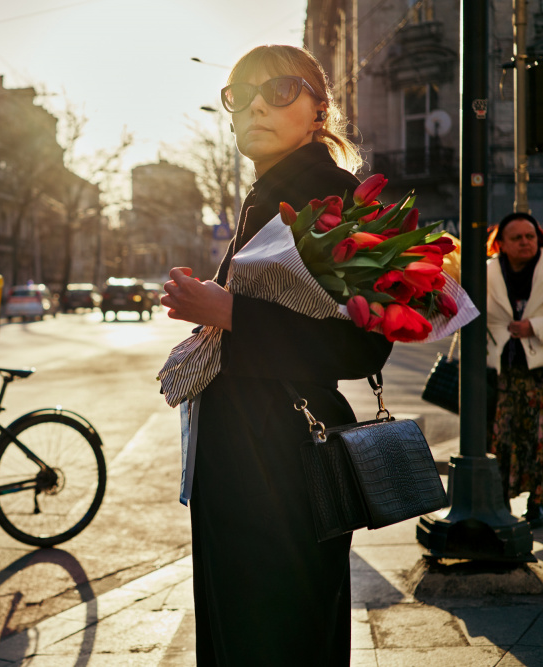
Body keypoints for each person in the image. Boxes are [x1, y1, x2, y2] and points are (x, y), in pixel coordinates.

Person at [161, 45, 393, 665]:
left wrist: (230, 313)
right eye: (241, 94)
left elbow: (366, 341)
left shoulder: (333, 194)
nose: (258, 104)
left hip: (286, 454)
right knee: (251, 624)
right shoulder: (272, 189)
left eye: (281, 90)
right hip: (249, 453)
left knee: (276, 630)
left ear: (320, 109)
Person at [486, 212, 543, 528]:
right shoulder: (487, 272)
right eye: (517, 238)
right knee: (501, 440)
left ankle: (537, 504)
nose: (525, 242)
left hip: (539, 373)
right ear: (502, 244)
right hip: (501, 372)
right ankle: (501, 500)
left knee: (538, 440)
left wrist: (533, 326)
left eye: (530, 236)